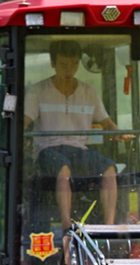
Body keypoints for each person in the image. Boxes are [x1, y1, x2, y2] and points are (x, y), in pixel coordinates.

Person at [24, 40, 131, 235]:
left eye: (74, 64)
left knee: (109, 168)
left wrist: (119, 133)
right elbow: (24, 122)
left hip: (79, 149)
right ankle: (67, 228)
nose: (69, 70)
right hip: (47, 150)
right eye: (64, 64)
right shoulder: (38, 91)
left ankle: (109, 228)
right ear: (53, 63)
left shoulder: (88, 92)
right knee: (63, 167)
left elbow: (107, 123)